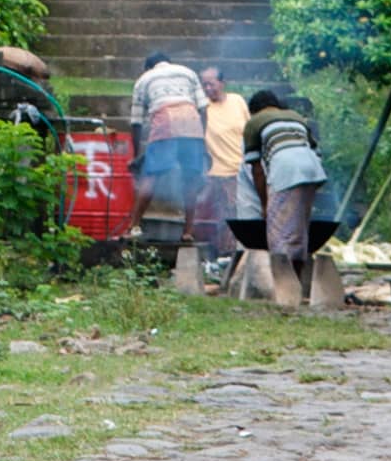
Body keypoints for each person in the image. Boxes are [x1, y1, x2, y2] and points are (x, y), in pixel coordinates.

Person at [243, 89, 330, 307]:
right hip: (312, 169)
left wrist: (264, 204)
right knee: (299, 229)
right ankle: (297, 284)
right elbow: (316, 151)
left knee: (278, 233)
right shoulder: (295, 117)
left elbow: (257, 169)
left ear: (254, 110)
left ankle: (284, 292)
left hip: (286, 171)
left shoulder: (255, 122)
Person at [186, 65, 249, 280]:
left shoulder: (237, 101)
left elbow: (248, 130)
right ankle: (225, 258)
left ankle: (236, 258)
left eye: (211, 83)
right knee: (225, 216)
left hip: (242, 169)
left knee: (240, 215)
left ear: (222, 83)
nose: (207, 88)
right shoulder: (202, 110)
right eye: (203, 84)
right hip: (218, 171)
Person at [132, 50, 208, 226]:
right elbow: (203, 109)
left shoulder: (144, 79)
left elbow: (136, 122)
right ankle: (188, 231)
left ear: (148, 68)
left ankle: (134, 225)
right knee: (190, 178)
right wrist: (201, 138)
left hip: (165, 122)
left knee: (150, 175)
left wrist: (136, 155)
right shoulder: (188, 72)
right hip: (192, 122)